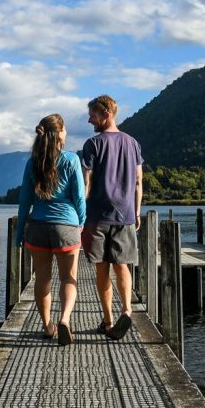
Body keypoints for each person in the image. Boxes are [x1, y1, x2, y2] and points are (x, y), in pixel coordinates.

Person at [16, 113, 86, 346]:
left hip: (37, 227)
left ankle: (48, 326)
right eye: (65, 129)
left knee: (42, 280)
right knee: (68, 278)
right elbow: (79, 198)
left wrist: (19, 234)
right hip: (66, 226)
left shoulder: (32, 163)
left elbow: (25, 201)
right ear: (59, 134)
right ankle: (64, 319)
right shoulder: (72, 160)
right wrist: (81, 223)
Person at [81, 95, 143, 340]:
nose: (89, 120)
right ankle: (126, 310)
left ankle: (107, 321)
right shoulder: (133, 143)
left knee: (102, 269)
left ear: (105, 114)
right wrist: (137, 212)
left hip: (97, 216)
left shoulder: (93, 144)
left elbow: (87, 181)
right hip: (125, 214)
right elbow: (139, 181)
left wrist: (79, 213)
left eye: (93, 115)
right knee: (122, 266)